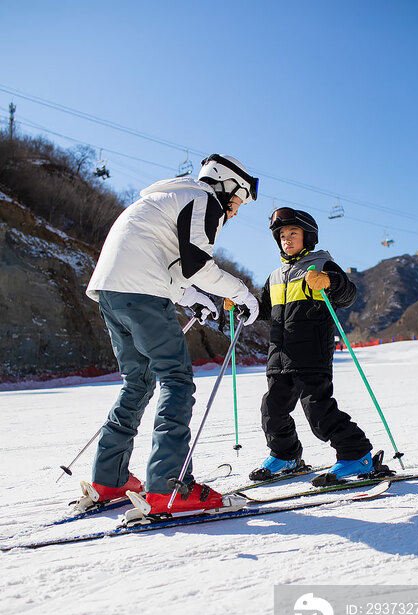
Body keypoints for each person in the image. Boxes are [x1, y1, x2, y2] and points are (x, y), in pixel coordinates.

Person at [76, 154, 259, 519]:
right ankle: (170, 486)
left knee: (138, 381)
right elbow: (196, 264)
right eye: (237, 201)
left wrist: (193, 298)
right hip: (142, 292)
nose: (235, 212)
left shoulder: (166, 198)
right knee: (176, 378)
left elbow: (168, 263)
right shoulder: (204, 199)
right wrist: (241, 293)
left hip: (110, 293)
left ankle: (109, 479)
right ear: (223, 186)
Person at [249, 207, 375, 486]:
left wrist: (329, 282)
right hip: (279, 355)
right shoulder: (275, 276)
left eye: (293, 233)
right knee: (272, 409)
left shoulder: (320, 265)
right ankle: (286, 455)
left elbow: (348, 294)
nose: (287, 239)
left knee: (318, 409)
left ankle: (357, 453)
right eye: (282, 234)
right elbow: (262, 310)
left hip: (310, 352)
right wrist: (240, 307)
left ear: (308, 236)